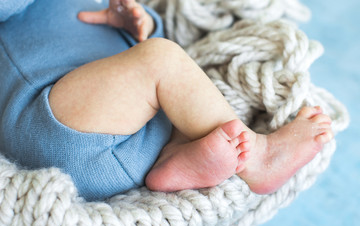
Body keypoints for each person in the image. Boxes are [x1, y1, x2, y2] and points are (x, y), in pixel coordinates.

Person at [0, 0, 333, 201]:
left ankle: (174, 160)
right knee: (161, 61)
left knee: (173, 83)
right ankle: (258, 160)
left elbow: (139, 48)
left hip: (123, 136)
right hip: (49, 124)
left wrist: (139, 22)